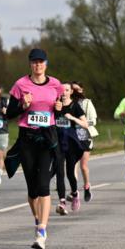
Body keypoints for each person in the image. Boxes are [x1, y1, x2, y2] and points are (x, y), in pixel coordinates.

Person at [4, 48, 64, 249]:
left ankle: (42, 231)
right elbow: (9, 114)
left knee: (43, 185)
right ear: (30, 64)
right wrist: (22, 105)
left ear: (46, 64)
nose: (38, 65)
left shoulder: (56, 84)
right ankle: (38, 219)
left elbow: (61, 108)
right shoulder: (20, 85)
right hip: (27, 139)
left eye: (41, 62)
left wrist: (59, 109)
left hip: (47, 138)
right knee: (32, 189)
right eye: (34, 62)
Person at [53, 82, 91, 214]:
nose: (64, 92)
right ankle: (62, 202)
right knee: (59, 171)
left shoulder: (75, 106)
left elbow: (85, 124)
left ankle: (75, 193)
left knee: (70, 172)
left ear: (71, 92)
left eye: (67, 90)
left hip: (71, 144)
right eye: (61, 90)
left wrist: (73, 118)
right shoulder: (55, 105)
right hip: (57, 143)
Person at [71, 81, 97, 201]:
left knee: (83, 165)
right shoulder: (68, 103)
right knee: (72, 165)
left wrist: (82, 122)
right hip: (72, 137)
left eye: (77, 89)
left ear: (82, 90)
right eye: (73, 89)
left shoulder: (87, 103)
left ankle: (87, 186)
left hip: (85, 137)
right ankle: (74, 190)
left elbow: (93, 120)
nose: (75, 92)